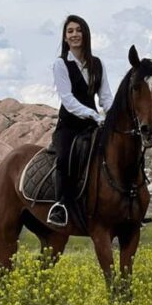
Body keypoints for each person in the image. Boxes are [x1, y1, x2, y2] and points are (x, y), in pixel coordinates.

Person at [48, 15, 113, 227]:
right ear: (65, 38)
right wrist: (94, 115)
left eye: (78, 30)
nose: (74, 34)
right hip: (69, 125)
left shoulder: (98, 64)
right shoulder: (61, 64)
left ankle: (126, 205)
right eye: (70, 31)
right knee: (64, 158)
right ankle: (61, 206)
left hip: (92, 125)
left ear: (85, 34)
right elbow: (67, 100)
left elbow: (105, 97)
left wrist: (113, 116)